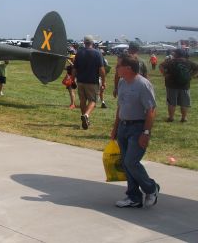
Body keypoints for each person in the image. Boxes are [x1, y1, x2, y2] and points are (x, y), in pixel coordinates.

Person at [111, 55, 159, 208]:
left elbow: (151, 110)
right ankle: (133, 197)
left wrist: (146, 133)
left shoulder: (143, 85)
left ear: (128, 68)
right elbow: (121, 106)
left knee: (131, 162)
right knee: (126, 164)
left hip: (137, 128)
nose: (116, 68)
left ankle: (151, 188)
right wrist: (115, 128)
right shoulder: (122, 83)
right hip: (123, 127)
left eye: (119, 66)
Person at [73, 35, 106, 129]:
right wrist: (104, 81)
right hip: (92, 81)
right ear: (92, 43)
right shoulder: (97, 53)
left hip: (80, 81)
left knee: (82, 100)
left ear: (84, 42)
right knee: (93, 100)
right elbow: (101, 69)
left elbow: (75, 68)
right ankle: (86, 115)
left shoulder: (79, 53)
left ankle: (85, 118)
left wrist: (72, 79)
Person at [159, 48, 198, 123]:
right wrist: (192, 76)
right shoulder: (188, 62)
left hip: (171, 85)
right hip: (185, 85)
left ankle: (171, 118)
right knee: (184, 103)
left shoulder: (170, 61)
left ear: (176, 54)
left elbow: (161, 66)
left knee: (171, 103)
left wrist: (165, 74)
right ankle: (184, 118)